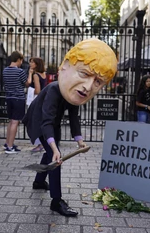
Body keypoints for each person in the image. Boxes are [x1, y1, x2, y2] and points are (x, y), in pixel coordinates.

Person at [22, 38, 118, 217]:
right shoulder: (54, 90)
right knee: (55, 159)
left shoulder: (74, 92)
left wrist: (80, 140)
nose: (88, 86)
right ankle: (56, 201)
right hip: (39, 122)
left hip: (52, 122)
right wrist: (53, 146)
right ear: (64, 67)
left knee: (51, 154)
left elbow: (74, 117)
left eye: (97, 82)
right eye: (84, 74)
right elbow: (46, 122)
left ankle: (38, 182)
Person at [3, 51, 33, 153]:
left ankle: (7, 143)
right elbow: (27, 83)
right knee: (15, 122)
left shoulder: (5, 70)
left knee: (11, 121)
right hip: (18, 98)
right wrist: (30, 73)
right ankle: (10, 147)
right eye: (21, 60)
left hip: (9, 98)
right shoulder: (20, 71)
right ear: (19, 59)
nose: (21, 63)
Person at [28, 57, 47, 153]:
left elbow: (38, 90)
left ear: (37, 64)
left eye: (32, 62)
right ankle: (42, 143)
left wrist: (30, 91)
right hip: (43, 100)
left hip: (36, 100)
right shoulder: (43, 74)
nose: (30, 64)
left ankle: (39, 144)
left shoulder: (36, 75)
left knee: (35, 122)